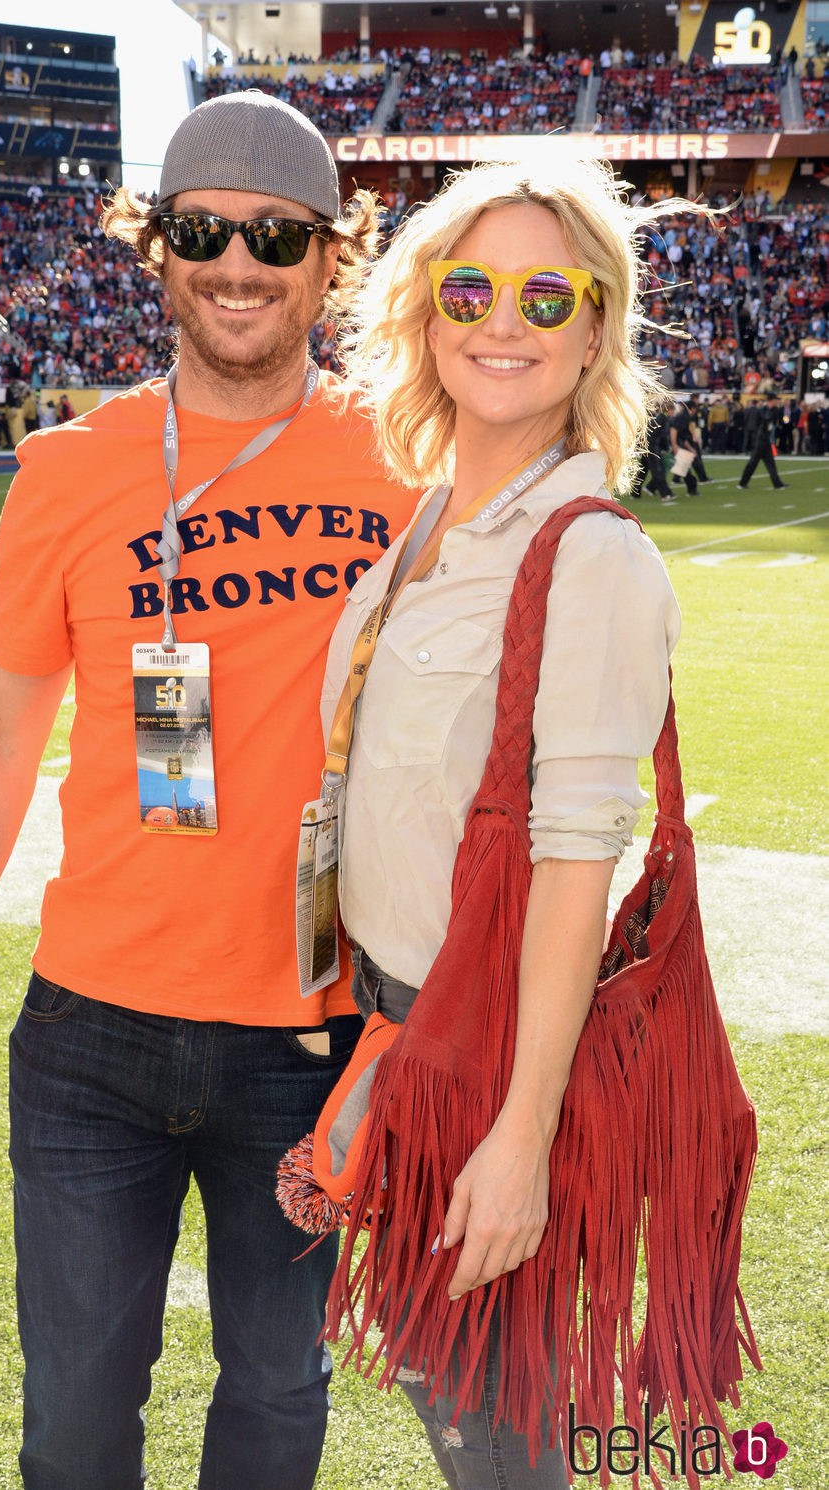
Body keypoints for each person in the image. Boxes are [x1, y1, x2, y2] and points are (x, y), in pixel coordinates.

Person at [0, 91, 416, 1490]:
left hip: (313, 1033)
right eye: (202, 229)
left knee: (276, 1403)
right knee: (71, 1420)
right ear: (157, 246)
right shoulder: (65, 471)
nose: (237, 264)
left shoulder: (412, 462)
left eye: (275, 236)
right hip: (91, 1037)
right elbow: (1, 734)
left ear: (329, 256)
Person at [319, 156, 683, 1487]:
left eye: (548, 293)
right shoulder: (426, 521)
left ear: (597, 328)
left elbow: (577, 860)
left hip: (490, 1075)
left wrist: (520, 1137)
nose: (502, 321)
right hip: (399, 1037)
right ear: (424, 311)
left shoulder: (589, 548)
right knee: (463, 1410)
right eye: (469, 287)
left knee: (502, 1439)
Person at [738, 396, 788, 489]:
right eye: (775, 400)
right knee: (753, 463)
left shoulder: (775, 410)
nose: (777, 402)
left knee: (770, 463)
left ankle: (777, 483)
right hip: (759, 440)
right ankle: (742, 483)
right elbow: (765, 419)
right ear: (771, 401)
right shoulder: (763, 410)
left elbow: (776, 420)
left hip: (766, 440)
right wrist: (769, 410)